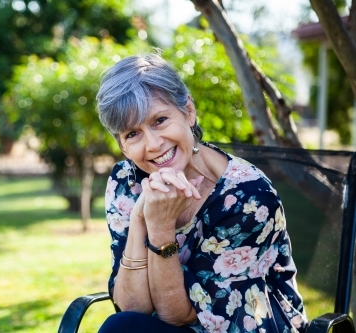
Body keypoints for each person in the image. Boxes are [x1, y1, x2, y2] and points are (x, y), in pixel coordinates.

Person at [95, 52, 308, 333]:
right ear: (122, 147)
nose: (153, 144)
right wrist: (139, 219)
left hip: (242, 325)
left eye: (159, 120)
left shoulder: (249, 198)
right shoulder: (126, 181)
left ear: (189, 111)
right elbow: (131, 309)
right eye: (132, 134)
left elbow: (178, 316)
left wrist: (159, 226)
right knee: (120, 327)